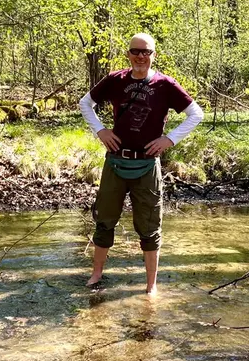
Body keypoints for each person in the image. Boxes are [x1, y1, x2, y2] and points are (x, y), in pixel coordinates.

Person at [79, 33, 204, 295]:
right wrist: (100, 131)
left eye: (145, 52)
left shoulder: (165, 85)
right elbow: (85, 103)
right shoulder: (115, 80)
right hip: (115, 162)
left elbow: (196, 114)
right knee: (104, 221)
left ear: (153, 55)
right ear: (128, 54)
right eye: (135, 51)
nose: (140, 56)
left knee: (149, 227)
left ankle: (151, 287)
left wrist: (169, 140)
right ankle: (96, 274)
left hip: (147, 165)